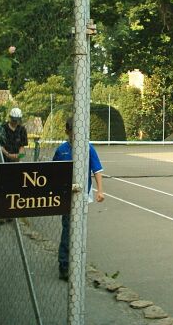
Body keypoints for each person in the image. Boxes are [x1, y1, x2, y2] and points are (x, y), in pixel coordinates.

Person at [53, 117, 104, 281]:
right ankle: (64, 265)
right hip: (67, 198)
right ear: (67, 131)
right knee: (68, 229)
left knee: (80, 231)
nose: (75, 134)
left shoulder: (88, 149)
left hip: (82, 196)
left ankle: (77, 263)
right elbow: (52, 172)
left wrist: (100, 191)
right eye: (72, 131)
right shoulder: (62, 150)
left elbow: (97, 170)